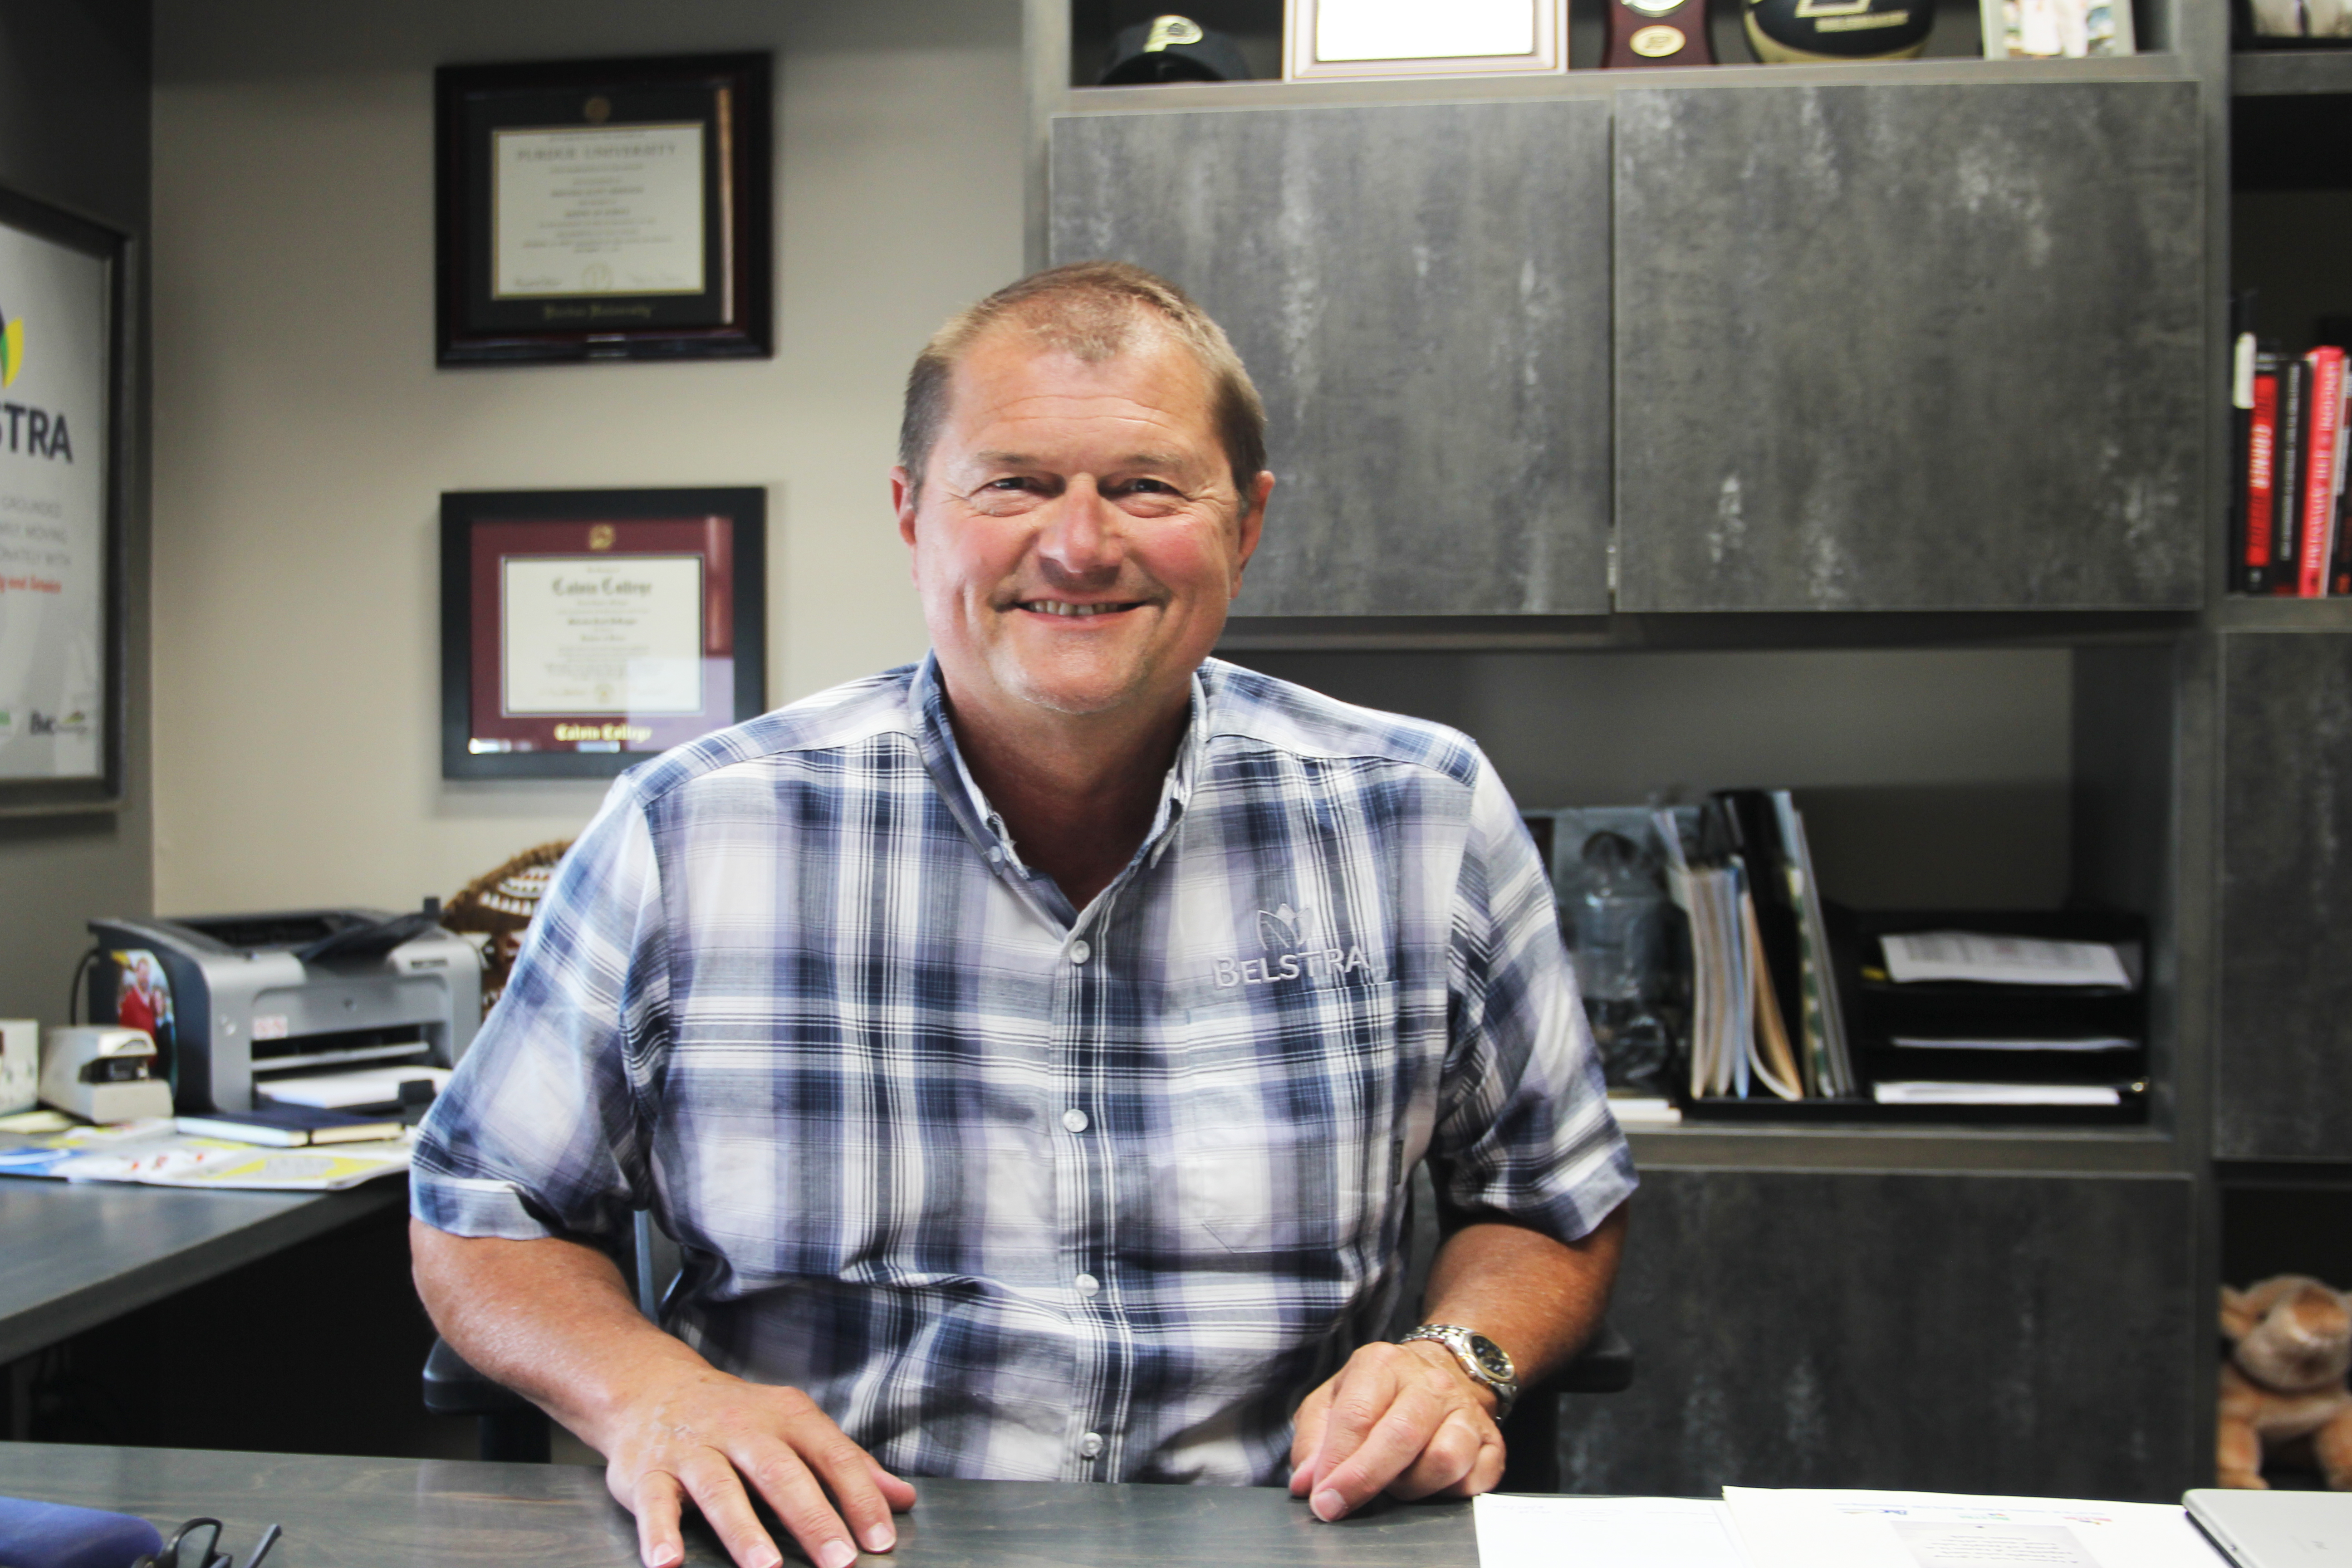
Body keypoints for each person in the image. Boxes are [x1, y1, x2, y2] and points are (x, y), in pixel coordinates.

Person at [409, 261, 1634, 1568]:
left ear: (1248, 521)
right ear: (910, 513)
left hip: (1277, 1538)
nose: (1080, 543)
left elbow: (1549, 1197)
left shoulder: (1419, 813)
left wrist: (1457, 1363)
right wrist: (653, 1398)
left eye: (1147, 484)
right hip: (830, 1544)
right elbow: (486, 1204)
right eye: (1015, 482)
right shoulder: (693, 829)